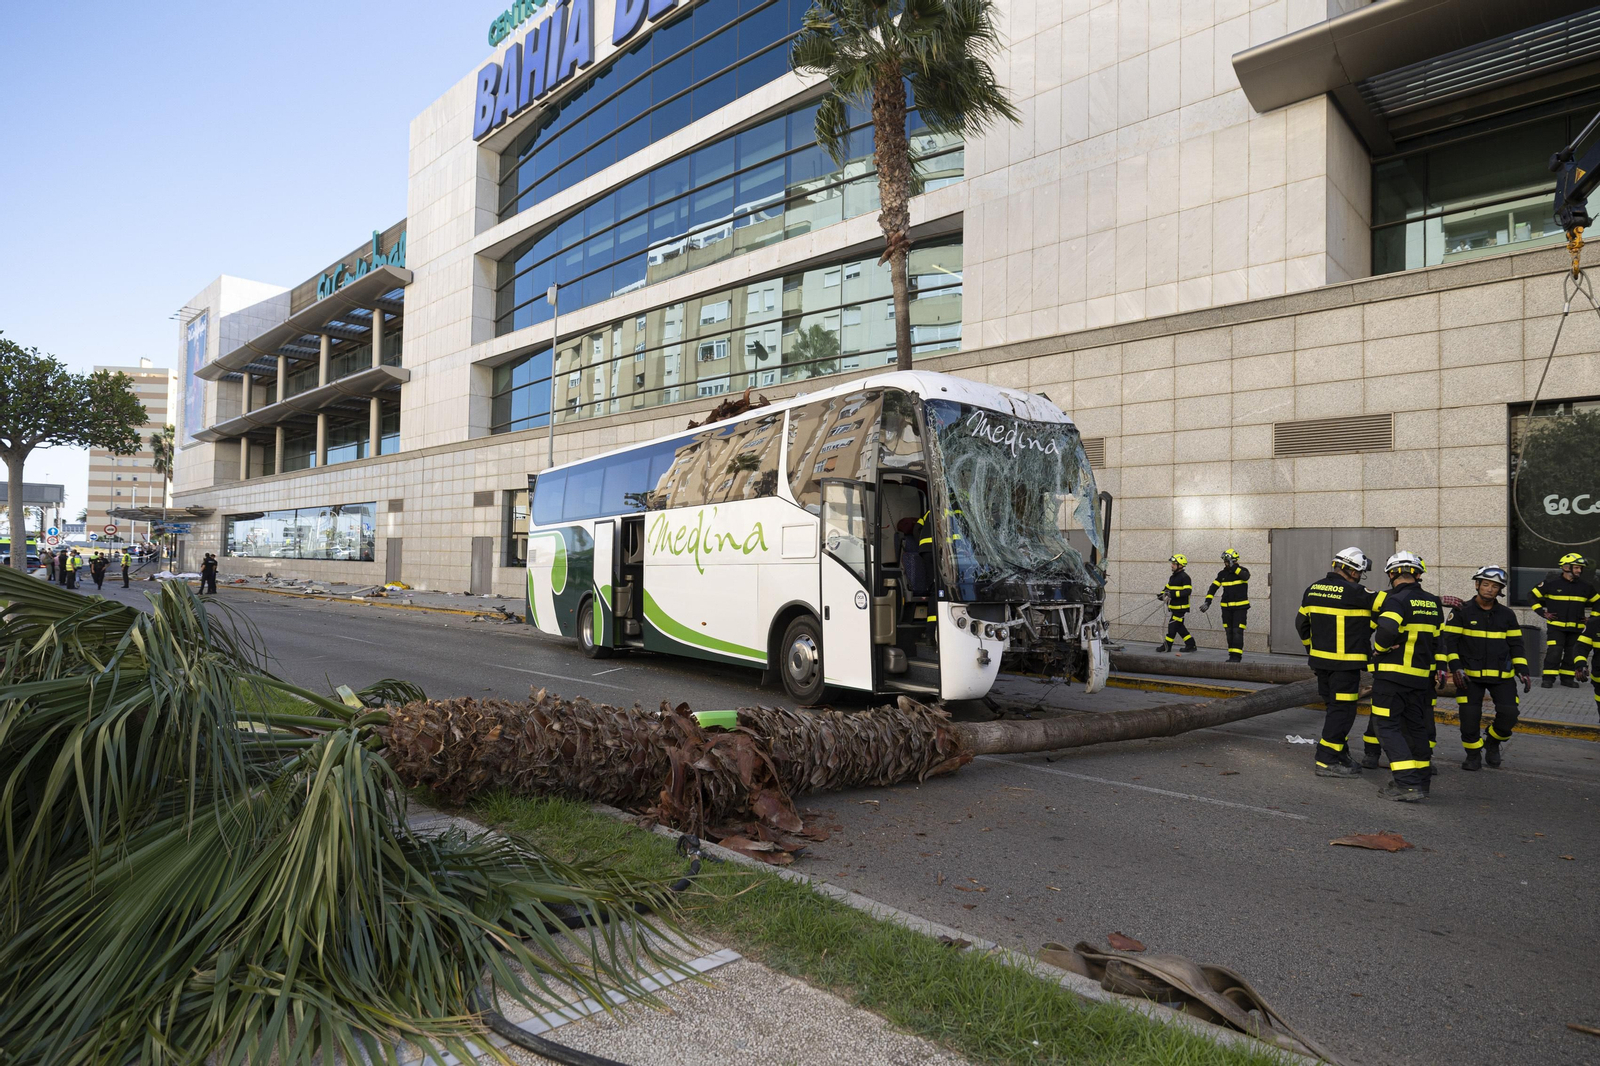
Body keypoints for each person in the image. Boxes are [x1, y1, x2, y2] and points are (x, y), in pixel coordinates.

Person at [1295, 547, 1383, 778]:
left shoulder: (1313, 588)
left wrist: (1311, 649)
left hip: (1321, 664)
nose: (1359, 577)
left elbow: (1301, 624)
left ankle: (1340, 754)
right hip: (1345, 666)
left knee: (1335, 711)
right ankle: (1326, 760)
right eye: (1359, 573)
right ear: (1350, 570)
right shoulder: (1357, 592)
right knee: (1342, 712)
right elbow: (1393, 602)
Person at [1369, 552, 1445, 802]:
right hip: (1421, 678)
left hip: (1392, 677)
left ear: (1391, 574)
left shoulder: (1396, 599)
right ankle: (1422, 783)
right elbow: (1438, 641)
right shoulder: (1433, 602)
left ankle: (1407, 784)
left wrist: (1379, 649)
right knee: (1415, 729)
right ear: (1418, 574)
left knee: (1387, 727)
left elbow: (1388, 628)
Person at [1441, 566, 1529, 770]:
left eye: (1495, 586)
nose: (1490, 589)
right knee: (1469, 720)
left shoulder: (1507, 614)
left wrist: (1523, 670)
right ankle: (1473, 755)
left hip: (1502, 677)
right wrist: (1456, 668)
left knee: (1510, 714)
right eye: (1486, 584)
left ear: (1500, 590)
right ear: (1477, 585)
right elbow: (1449, 643)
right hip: (1469, 677)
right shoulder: (1461, 611)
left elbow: (1517, 645)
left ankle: (1492, 741)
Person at [1530, 553, 1597, 688]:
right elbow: (1531, 596)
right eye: (1577, 567)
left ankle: (1567, 679)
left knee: (1572, 653)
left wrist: (1593, 619)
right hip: (1556, 627)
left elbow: (1598, 601)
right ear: (1566, 567)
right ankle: (1548, 678)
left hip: (1576, 628)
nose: (1580, 570)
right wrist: (1542, 612)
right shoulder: (1551, 584)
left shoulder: (1586, 586)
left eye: (1580, 568)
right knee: (1555, 651)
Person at [1200, 548, 1251, 662]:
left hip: (1240, 608)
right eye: (1225, 561)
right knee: (1229, 632)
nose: (1225, 563)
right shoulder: (1222, 574)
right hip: (1226, 608)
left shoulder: (1242, 571)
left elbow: (1246, 577)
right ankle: (1231, 655)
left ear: (1233, 561)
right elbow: (1213, 587)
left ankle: (1236, 658)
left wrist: (1234, 567)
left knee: (1237, 631)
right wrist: (1208, 601)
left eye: (1227, 561)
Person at [1155, 554, 1196, 653]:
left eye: (1174, 563)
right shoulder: (1173, 577)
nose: (1172, 565)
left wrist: (1172, 594)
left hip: (1181, 608)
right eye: (1172, 563)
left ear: (1180, 565)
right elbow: (1167, 588)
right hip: (1174, 607)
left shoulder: (1185, 577)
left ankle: (1167, 646)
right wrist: (1161, 595)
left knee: (1172, 626)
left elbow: (1187, 591)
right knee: (1179, 627)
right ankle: (1191, 644)